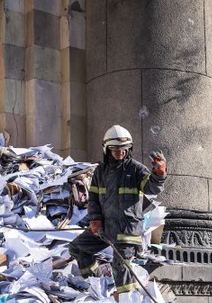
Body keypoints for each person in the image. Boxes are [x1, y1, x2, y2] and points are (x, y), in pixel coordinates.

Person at [69, 125, 167, 294]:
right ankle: (96, 284)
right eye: (115, 149)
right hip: (106, 227)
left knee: (121, 267)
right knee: (78, 248)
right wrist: (95, 220)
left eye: (124, 149)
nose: (120, 153)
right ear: (106, 149)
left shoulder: (135, 169)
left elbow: (151, 188)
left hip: (126, 229)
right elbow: (93, 200)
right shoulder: (100, 172)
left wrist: (159, 174)